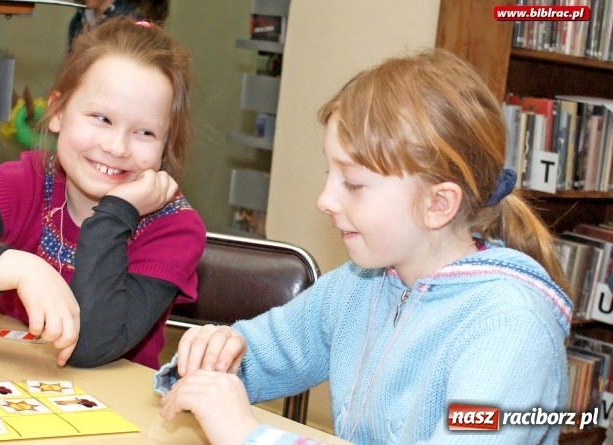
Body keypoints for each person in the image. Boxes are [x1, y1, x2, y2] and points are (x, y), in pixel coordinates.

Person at [156, 49, 572, 444]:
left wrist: (247, 435)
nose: (325, 200)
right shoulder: (358, 286)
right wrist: (209, 361)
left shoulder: (512, 330)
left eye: (353, 184)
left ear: (437, 204)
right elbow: (258, 357)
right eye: (329, 173)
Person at [0, 16, 206, 370]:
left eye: (145, 132)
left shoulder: (175, 230)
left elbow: (89, 348)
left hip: (111, 402)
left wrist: (115, 213)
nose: (116, 147)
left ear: (166, 144)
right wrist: (22, 268)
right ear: (57, 110)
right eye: (101, 118)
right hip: (5, 380)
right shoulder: (25, 183)